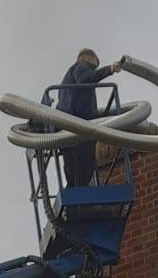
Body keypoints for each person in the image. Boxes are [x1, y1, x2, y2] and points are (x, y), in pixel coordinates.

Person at [44, 49, 122, 187]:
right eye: (95, 65)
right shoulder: (82, 66)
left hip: (65, 125)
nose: (94, 68)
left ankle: (74, 198)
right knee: (85, 162)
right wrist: (109, 69)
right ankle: (80, 193)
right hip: (80, 124)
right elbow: (86, 78)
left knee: (71, 166)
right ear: (89, 59)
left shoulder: (67, 80)